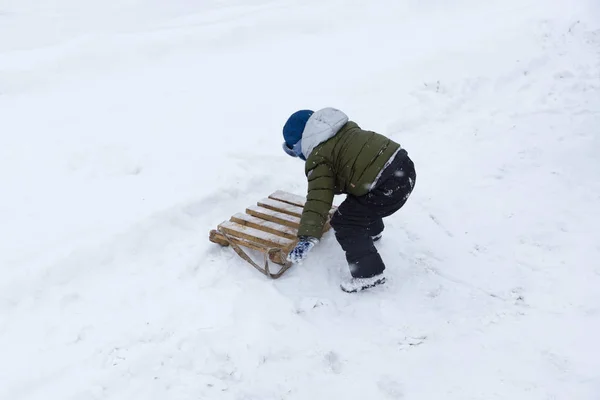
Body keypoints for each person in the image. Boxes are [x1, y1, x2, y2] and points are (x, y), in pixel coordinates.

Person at [281, 107, 416, 293]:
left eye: (296, 151)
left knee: (345, 220)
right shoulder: (344, 130)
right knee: (361, 194)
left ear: (302, 144)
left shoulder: (319, 156)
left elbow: (318, 198)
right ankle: (372, 232)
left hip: (388, 187)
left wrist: (308, 236)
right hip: (404, 168)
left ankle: (369, 274)